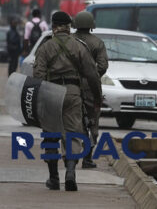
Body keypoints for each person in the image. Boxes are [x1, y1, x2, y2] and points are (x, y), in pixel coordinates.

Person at [32, 11, 100, 192]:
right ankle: (70, 172)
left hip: (50, 92)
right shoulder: (79, 46)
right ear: (69, 26)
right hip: (73, 92)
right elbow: (92, 75)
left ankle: (53, 178)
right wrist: (97, 98)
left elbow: (37, 75)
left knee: (51, 134)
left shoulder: (45, 47)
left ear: (53, 26)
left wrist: (38, 99)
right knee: (72, 133)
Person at [73, 11, 109, 169]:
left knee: (71, 121)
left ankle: (70, 155)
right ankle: (87, 158)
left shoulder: (69, 41)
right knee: (92, 122)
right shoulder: (97, 43)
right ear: (91, 26)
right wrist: (90, 76)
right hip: (90, 88)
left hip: (69, 86)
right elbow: (102, 66)